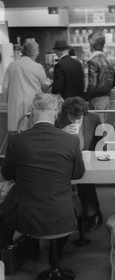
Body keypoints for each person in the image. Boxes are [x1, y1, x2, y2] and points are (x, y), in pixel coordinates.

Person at [0, 93, 85, 256]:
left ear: (31, 111)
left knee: (4, 211)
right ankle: (56, 253)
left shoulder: (16, 140)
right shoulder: (71, 141)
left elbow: (7, 173)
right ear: (55, 112)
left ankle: (8, 256)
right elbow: (78, 174)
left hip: (26, 213)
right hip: (63, 213)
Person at [55, 96, 103, 232]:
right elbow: (53, 140)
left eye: (79, 118)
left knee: (86, 183)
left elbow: (102, 141)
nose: (75, 121)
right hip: (66, 158)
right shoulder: (60, 119)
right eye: (72, 118)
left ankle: (92, 214)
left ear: (84, 114)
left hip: (88, 158)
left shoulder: (93, 119)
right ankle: (75, 215)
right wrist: (61, 132)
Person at [2, 41, 49, 132]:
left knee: (16, 134)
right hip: (32, 105)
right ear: (34, 52)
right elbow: (44, 86)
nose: (38, 52)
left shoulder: (12, 65)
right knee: (30, 134)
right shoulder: (37, 67)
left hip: (15, 106)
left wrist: (8, 102)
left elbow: (5, 88)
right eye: (38, 50)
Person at [84, 31, 115, 123]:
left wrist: (85, 98)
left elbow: (92, 84)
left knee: (98, 129)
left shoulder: (93, 61)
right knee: (103, 126)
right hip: (106, 98)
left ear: (91, 45)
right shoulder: (108, 60)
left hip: (96, 99)